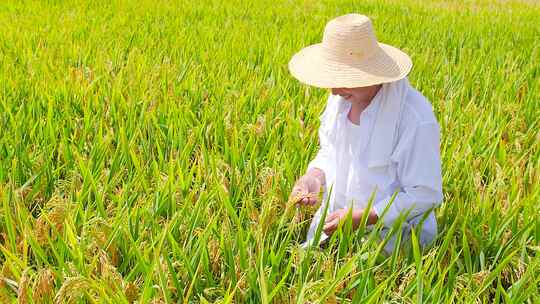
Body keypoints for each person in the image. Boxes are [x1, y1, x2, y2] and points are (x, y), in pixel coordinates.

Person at [288, 14, 443, 253]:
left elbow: (424, 194)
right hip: (335, 221)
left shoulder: (414, 118)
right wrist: (314, 178)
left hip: (393, 235)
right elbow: (330, 151)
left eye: (343, 79)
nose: (333, 90)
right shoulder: (342, 98)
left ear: (371, 74)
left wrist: (365, 217)